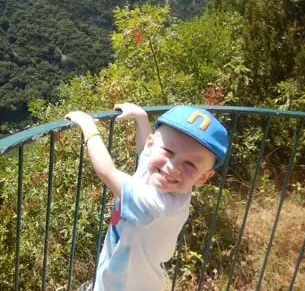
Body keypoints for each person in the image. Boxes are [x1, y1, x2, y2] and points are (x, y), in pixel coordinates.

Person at [65, 103, 228, 291]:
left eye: (190, 164)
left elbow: (106, 171)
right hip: (116, 277)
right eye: (168, 152)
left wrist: (88, 127)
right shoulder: (167, 180)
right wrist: (141, 118)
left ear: (203, 177)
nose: (172, 167)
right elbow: (145, 153)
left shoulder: (159, 206)